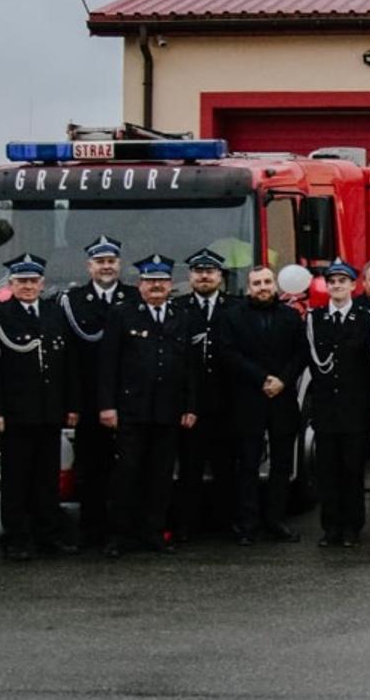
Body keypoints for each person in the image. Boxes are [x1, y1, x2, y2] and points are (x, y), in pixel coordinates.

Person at [0, 254, 79, 561]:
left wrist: (71, 406)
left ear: (42, 283)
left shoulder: (54, 313)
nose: (28, 287)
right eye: (21, 282)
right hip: (15, 413)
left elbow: (68, 365)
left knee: (47, 479)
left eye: (33, 281)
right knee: (16, 480)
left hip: (49, 412)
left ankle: (48, 536)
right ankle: (16, 538)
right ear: (11, 284)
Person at [98, 254, 199, 558]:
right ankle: (119, 536)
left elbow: (190, 367)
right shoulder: (123, 314)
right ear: (140, 284)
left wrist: (190, 406)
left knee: (161, 476)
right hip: (132, 410)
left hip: (168, 411)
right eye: (151, 281)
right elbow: (108, 364)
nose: (157, 286)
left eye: (162, 281)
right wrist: (107, 406)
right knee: (127, 474)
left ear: (171, 284)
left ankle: (154, 533)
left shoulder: (182, 315)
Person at [217, 265, 306, 545]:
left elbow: (301, 353)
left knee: (281, 465)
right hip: (248, 400)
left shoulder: (291, 317)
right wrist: (262, 379)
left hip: (282, 400)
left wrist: (282, 380)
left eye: (268, 281)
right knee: (247, 466)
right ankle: (247, 524)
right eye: (257, 283)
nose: (263, 287)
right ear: (248, 287)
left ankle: (276, 521)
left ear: (275, 285)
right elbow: (227, 353)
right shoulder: (231, 317)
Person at [60, 235, 135, 548]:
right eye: (100, 261)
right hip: (90, 399)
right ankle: (91, 529)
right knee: (91, 466)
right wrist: (73, 403)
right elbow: (69, 359)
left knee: (129, 467)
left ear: (119, 264)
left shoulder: (134, 297)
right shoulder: (72, 301)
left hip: (130, 396)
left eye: (111, 261)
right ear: (89, 266)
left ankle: (124, 528)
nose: (106, 266)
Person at [307, 259, 370, 548]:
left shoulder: (366, 318)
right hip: (326, 408)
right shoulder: (316, 318)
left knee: (352, 471)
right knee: (328, 472)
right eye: (332, 281)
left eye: (342, 281)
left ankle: (352, 527)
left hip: (355, 407)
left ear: (353, 285)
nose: (336, 286)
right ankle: (331, 527)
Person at [173, 248, 237, 543]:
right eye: (198, 272)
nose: (204, 276)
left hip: (226, 401)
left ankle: (226, 524)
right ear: (190, 277)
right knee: (190, 467)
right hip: (190, 402)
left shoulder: (235, 307)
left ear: (220, 277)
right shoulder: (178, 307)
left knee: (226, 467)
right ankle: (187, 525)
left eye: (210, 271)